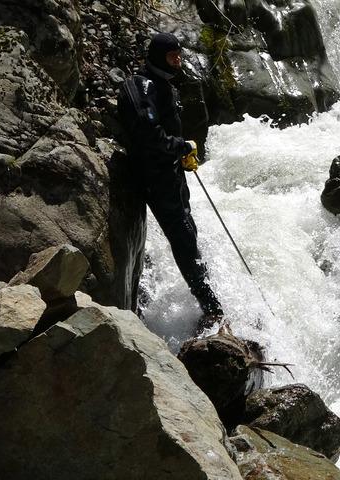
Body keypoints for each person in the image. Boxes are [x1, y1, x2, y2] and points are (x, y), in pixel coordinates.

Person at [117, 32, 223, 333]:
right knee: (183, 236)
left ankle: (207, 300)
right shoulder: (142, 85)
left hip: (168, 173)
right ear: (157, 56)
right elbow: (149, 134)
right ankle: (211, 307)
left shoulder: (160, 84)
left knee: (187, 232)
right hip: (154, 176)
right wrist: (181, 147)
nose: (177, 62)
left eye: (179, 57)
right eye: (172, 57)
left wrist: (180, 153)